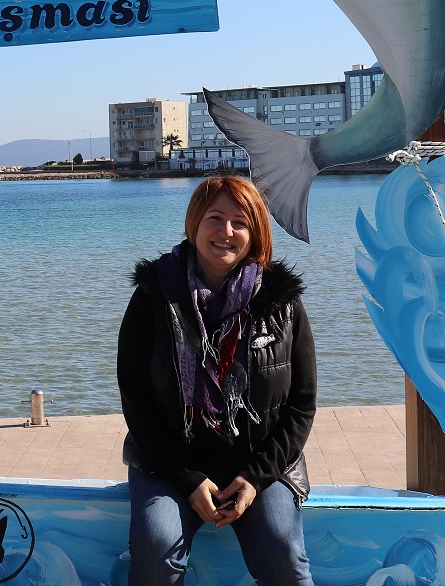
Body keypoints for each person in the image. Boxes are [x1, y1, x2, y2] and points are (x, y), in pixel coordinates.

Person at [117, 176, 316, 585]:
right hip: (169, 462)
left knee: (282, 550)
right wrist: (187, 479)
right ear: (194, 223)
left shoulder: (282, 302)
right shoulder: (154, 295)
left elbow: (301, 403)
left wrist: (253, 478)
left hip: (261, 462)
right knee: (157, 546)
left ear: (255, 232)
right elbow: (135, 398)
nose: (226, 232)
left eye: (240, 222)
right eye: (215, 217)